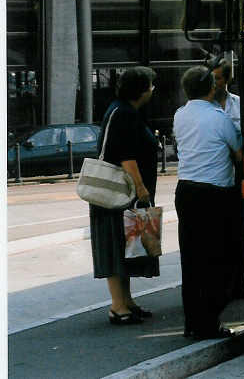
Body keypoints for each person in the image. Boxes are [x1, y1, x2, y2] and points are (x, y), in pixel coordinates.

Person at [174, 66, 242, 339]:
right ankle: (209, 320)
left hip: (186, 191)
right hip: (215, 194)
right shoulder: (219, 117)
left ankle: (193, 321)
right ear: (211, 88)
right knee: (219, 259)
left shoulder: (180, 115)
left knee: (191, 261)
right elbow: (238, 154)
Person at [90, 66, 158, 326]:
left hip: (120, 194)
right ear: (142, 89)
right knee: (118, 246)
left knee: (127, 247)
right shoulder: (125, 113)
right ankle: (118, 306)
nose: (153, 90)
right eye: (151, 85)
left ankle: (127, 301)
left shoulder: (122, 110)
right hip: (119, 195)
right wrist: (141, 188)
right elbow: (126, 156)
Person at [210, 59, 244, 300]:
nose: (215, 84)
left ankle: (238, 284)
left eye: (219, 79)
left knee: (240, 232)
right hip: (217, 176)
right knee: (219, 235)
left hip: (239, 173)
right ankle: (222, 284)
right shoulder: (204, 107)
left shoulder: (239, 104)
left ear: (227, 80)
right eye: (211, 79)